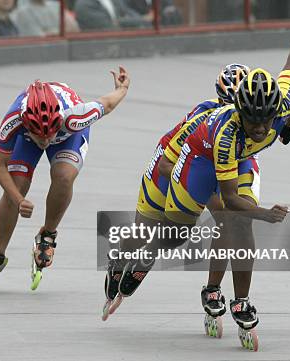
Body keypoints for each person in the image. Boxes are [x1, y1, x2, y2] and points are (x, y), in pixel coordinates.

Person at [110, 7, 290, 351]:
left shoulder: (282, 101)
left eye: (267, 122)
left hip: (241, 158)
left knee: (238, 222)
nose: (261, 129)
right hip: (201, 158)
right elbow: (228, 197)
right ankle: (146, 260)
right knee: (185, 231)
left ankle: (240, 299)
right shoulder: (226, 133)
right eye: (253, 123)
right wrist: (266, 213)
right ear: (239, 111)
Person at [102, 62, 251, 321]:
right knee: (144, 232)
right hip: (169, 165)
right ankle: (119, 259)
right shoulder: (205, 119)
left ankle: (213, 290)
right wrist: (202, 193)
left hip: (210, 165)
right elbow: (169, 166)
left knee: (226, 220)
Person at [0, 66, 131, 295]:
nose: (45, 141)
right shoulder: (13, 120)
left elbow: (108, 103)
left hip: (68, 135)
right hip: (27, 136)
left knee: (64, 176)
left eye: (49, 134)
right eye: (39, 135)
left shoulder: (75, 116)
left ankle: (48, 235)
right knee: (17, 185)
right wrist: (18, 198)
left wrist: (122, 87)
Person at [12, 0, 80, 36]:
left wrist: (48, 31)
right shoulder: (23, 12)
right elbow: (40, 38)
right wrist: (61, 31)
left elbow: (75, 29)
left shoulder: (56, 5)